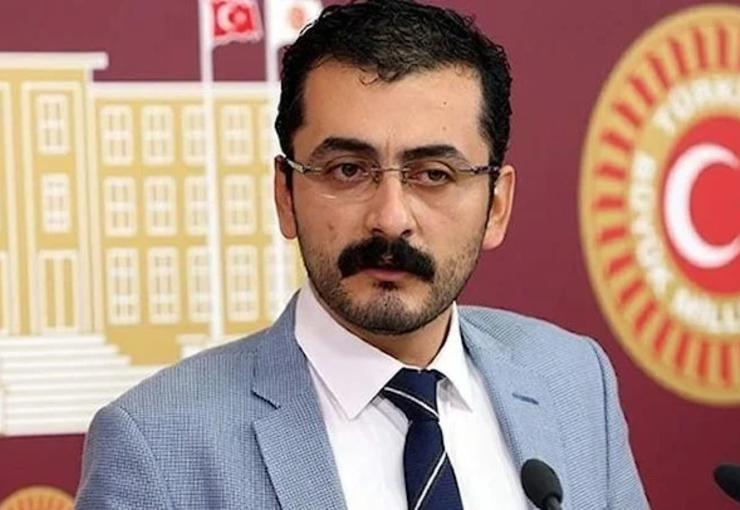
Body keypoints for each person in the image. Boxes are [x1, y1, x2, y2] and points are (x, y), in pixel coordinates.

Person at [76, 1, 649, 508]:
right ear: (286, 196)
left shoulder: (574, 381)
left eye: (434, 174)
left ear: (496, 205)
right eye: (348, 170)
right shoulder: (159, 445)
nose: (391, 218)